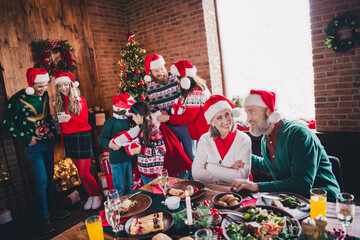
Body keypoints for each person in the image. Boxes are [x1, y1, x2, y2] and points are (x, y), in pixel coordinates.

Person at [231, 90, 341, 201]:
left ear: (269, 112)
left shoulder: (298, 134)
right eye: (247, 113)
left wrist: (257, 186)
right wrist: (244, 155)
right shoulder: (266, 137)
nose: (248, 119)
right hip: (292, 200)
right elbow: (270, 165)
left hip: (324, 202)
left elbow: (302, 183)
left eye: (252, 112)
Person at [2, 68, 69, 234]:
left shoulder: (45, 95)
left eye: (46, 85)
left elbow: (46, 116)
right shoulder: (16, 100)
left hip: (48, 142)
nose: (44, 89)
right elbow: (6, 124)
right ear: (31, 85)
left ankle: (53, 211)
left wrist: (52, 130)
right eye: (40, 86)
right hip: (33, 146)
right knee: (41, 180)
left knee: (49, 178)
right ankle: (43, 218)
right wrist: (26, 138)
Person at [54, 72, 102, 210]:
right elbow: (62, 128)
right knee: (81, 174)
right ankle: (90, 196)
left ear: (70, 84)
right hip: (69, 139)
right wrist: (63, 145)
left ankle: (97, 195)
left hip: (82, 137)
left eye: (65, 84)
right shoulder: (60, 103)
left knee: (84, 173)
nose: (63, 88)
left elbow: (84, 123)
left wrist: (70, 118)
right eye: (59, 86)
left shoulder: (79, 99)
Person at [145, 54, 195, 175]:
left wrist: (172, 110)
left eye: (161, 68)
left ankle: (196, 180)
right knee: (178, 156)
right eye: (156, 71)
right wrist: (156, 113)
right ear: (151, 72)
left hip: (182, 123)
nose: (160, 72)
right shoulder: (150, 88)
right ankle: (183, 182)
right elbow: (153, 106)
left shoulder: (175, 78)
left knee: (191, 154)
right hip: (168, 127)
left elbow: (186, 95)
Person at [192, 95, 252, 185]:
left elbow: (241, 176)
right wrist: (229, 171)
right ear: (212, 122)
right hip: (213, 191)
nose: (226, 121)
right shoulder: (205, 139)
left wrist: (209, 166)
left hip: (240, 191)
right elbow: (196, 173)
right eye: (219, 118)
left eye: (227, 114)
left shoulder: (243, 139)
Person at [157, 59, 210, 141]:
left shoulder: (194, 92)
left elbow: (188, 117)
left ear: (183, 79)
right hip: (204, 132)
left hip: (204, 133)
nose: (175, 80)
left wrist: (168, 118)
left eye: (176, 77)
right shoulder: (196, 88)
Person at [120, 101, 166, 185]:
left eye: (133, 116)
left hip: (153, 174)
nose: (133, 118)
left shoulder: (154, 131)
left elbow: (162, 151)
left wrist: (141, 150)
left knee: (156, 196)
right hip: (144, 172)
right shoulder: (141, 129)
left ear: (139, 115)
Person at [98, 93, 136, 197]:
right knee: (120, 188)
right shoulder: (110, 122)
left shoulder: (126, 121)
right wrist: (109, 144)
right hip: (117, 160)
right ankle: (118, 209)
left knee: (129, 185)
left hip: (127, 158)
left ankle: (130, 206)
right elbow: (101, 138)